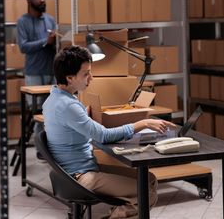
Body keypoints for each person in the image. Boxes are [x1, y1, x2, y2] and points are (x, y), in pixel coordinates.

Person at [43, 45, 176, 218]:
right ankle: (117, 214)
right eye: (86, 74)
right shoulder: (68, 105)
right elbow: (103, 136)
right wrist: (142, 123)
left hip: (77, 169)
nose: (91, 78)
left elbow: (70, 124)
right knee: (146, 194)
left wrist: (84, 117)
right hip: (81, 176)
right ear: (69, 78)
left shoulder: (54, 98)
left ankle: (119, 212)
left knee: (149, 179)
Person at [17, 0, 56, 160]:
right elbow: (23, 46)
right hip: (34, 73)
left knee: (50, 112)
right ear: (29, 1)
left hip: (51, 71)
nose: (42, 0)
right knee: (37, 111)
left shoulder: (50, 20)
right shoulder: (22, 21)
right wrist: (44, 42)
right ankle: (40, 149)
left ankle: (48, 147)